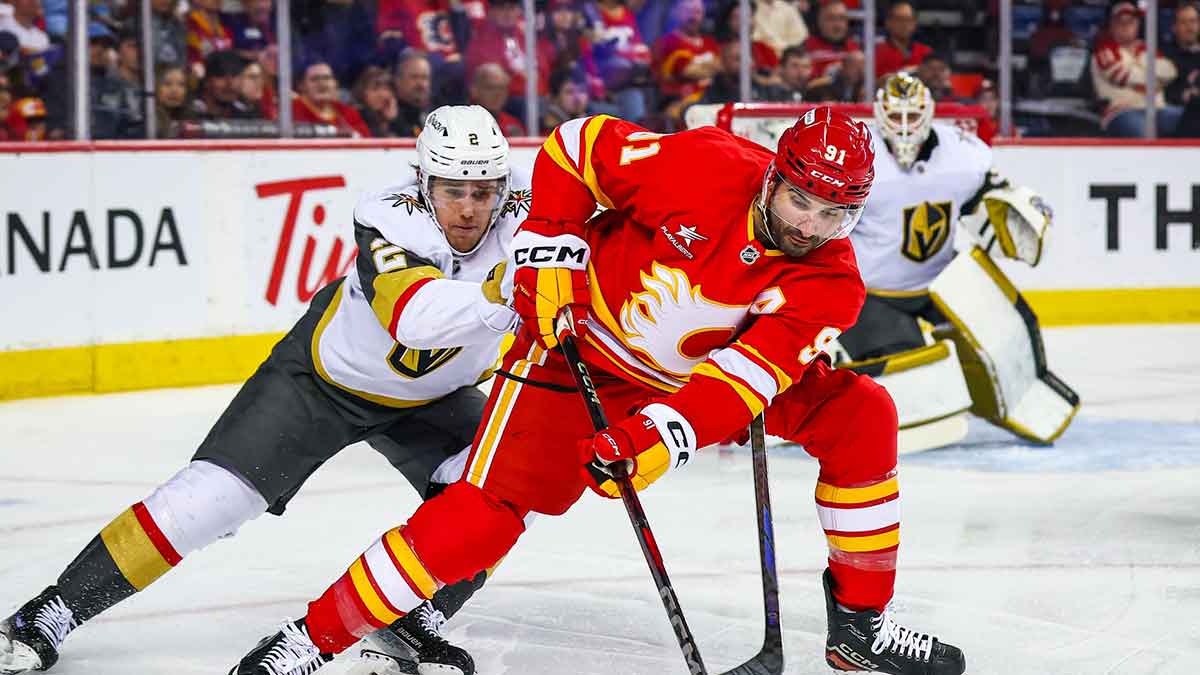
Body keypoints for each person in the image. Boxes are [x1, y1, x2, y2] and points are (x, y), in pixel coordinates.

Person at [228, 107, 967, 675]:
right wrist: (553, 243)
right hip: (577, 350)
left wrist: (657, 438)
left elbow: (742, 382)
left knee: (862, 412)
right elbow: (575, 146)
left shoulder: (831, 281)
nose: (810, 225)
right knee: (479, 520)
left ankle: (860, 629)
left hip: (696, 381)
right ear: (775, 174)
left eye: (834, 214)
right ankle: (311, 637)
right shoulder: (703, 163)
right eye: (801, 199)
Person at [0, 105, 530, 675]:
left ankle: (414, 618)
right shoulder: (389, 214)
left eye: (484, 191)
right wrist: (516, 282)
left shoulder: (532, 213)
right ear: (423, 183)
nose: (471, 208)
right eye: (455, 190)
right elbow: (413, 317)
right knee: (205, 503)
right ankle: (48, 614)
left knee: (506, 488)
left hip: (438, 397)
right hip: (324, 384)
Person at [838, 73, 1077, 448]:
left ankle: (1022, 404)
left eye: (912, 117)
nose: (904, 127)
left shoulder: (962, 154)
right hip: (871, 293)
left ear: (929, 113)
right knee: (912, 382)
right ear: (880, 115)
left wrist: (1013, 211)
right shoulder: (857, 156)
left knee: (1007, 334)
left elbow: (988, 200)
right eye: (895, 118)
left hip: (942, 283)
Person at [1091, 0, 1180, 137]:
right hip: (1122, 112)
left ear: (1138, 24)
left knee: (1189, 118)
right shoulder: (1104, 49)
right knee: (1143, 132)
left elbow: (1170, 71)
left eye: (1131, 21)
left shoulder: (1147, 47)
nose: (1127, 26)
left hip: (1158, 110)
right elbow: (1121, 76)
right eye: (1122, 21)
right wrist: (1155, 79)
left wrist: (1136, 71)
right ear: (1111, 25)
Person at [291, 60, 372, 137]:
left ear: (335, 83)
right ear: (301, 85)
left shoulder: (348, 112)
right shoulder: (290, 110)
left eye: (327, 78)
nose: (322, 84)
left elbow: (366, 142)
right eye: (315, 79)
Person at [874, 1, 931, 79]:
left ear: (914, 24)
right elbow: (868, 86)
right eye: (899, 19)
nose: (904, 24)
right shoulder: (876, 53)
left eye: (908, 20)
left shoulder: (926, 52)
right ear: (888, 22)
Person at [804, 0, 860, 79]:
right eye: (831, 18)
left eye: (842, 18)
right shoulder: (806, 48)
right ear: (819, 21)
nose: (837, 25)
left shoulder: (857, 49)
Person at [468, 62, 525, 136]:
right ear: (474, 91)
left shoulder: (513, 124)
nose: (497, 94)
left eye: (502, 88)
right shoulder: (463, 123)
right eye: (490, 88)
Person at [391, 49, 433, 137]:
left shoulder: (436, 114)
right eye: (414, 77)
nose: (421, 84)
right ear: (398, 80)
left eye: (424, 77)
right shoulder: (389, 116)